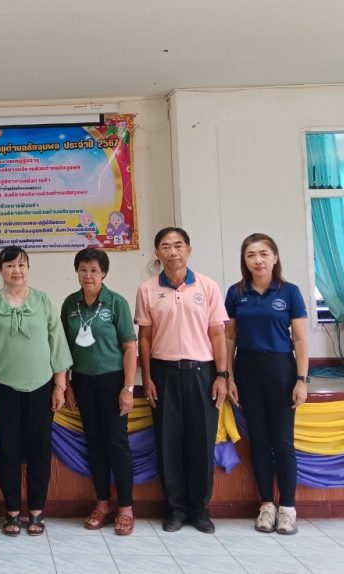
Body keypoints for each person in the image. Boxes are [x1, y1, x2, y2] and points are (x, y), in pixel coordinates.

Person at [136, 227, 228, 534]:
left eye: (178, 245)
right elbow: (144, 338)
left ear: (189, 249)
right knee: (169, 443)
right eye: (166, 246)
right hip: (163, 373)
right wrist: (147, 377)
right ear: (157, 253)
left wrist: (222, 375)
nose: (172, 251)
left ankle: (199, 510)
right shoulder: (147, 289)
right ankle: (175, 509)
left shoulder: (207, 286)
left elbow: (218, 334)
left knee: (202, 443)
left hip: (203, 373)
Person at [0, 246, 71, 537]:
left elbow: (57, 345)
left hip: (41, 387)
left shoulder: (43, 301)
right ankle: (12, 512)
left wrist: (60, 386)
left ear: (28, 268)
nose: (16, 271)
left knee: (40, 450)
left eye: (21, 265)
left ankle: (37, 512)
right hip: (1, 387)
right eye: (10, 266)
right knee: (8, 450)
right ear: (0, 270)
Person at [224, 233, 309, 535]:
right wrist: (228, 375)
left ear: (275, 257)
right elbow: (229, 338)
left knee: (283, 442)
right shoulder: (236, 293)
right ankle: (266, 505)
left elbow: (300, 339)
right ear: (244, 261)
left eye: (263, 254)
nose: (258, 260)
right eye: (251, 255)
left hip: (281, 370)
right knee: (258, 441)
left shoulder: (290, 292)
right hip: (247, 370)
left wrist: (301, 380)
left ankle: (287, 508)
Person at [61, 248, 137, 536]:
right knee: (94, 443)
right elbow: (63, 348)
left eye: (94, 270)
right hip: (82, 381)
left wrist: (127, 388)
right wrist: (67, 384)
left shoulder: (117, 303)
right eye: (83, 269)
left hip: (112, 381)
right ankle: (102, 504)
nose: (88, 275)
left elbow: (129, 348)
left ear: (103, 273)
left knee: (116, 444)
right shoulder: (70, 304)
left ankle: (126, 509)